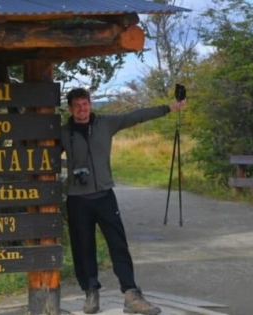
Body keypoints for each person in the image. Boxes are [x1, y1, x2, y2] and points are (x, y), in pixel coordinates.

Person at [60, 88, 185, 315]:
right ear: (70, 108)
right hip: (78, 200)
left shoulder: (106, 124)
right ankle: (90, 293)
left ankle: (131, 295)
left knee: (119, 246)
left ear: (91, 104)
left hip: (105, 196)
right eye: (77, 105)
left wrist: (168, 108)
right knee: (82, 249)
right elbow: (40, 152)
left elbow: (135, 116)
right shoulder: (62, 133)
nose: (82, 109)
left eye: (85, 104)